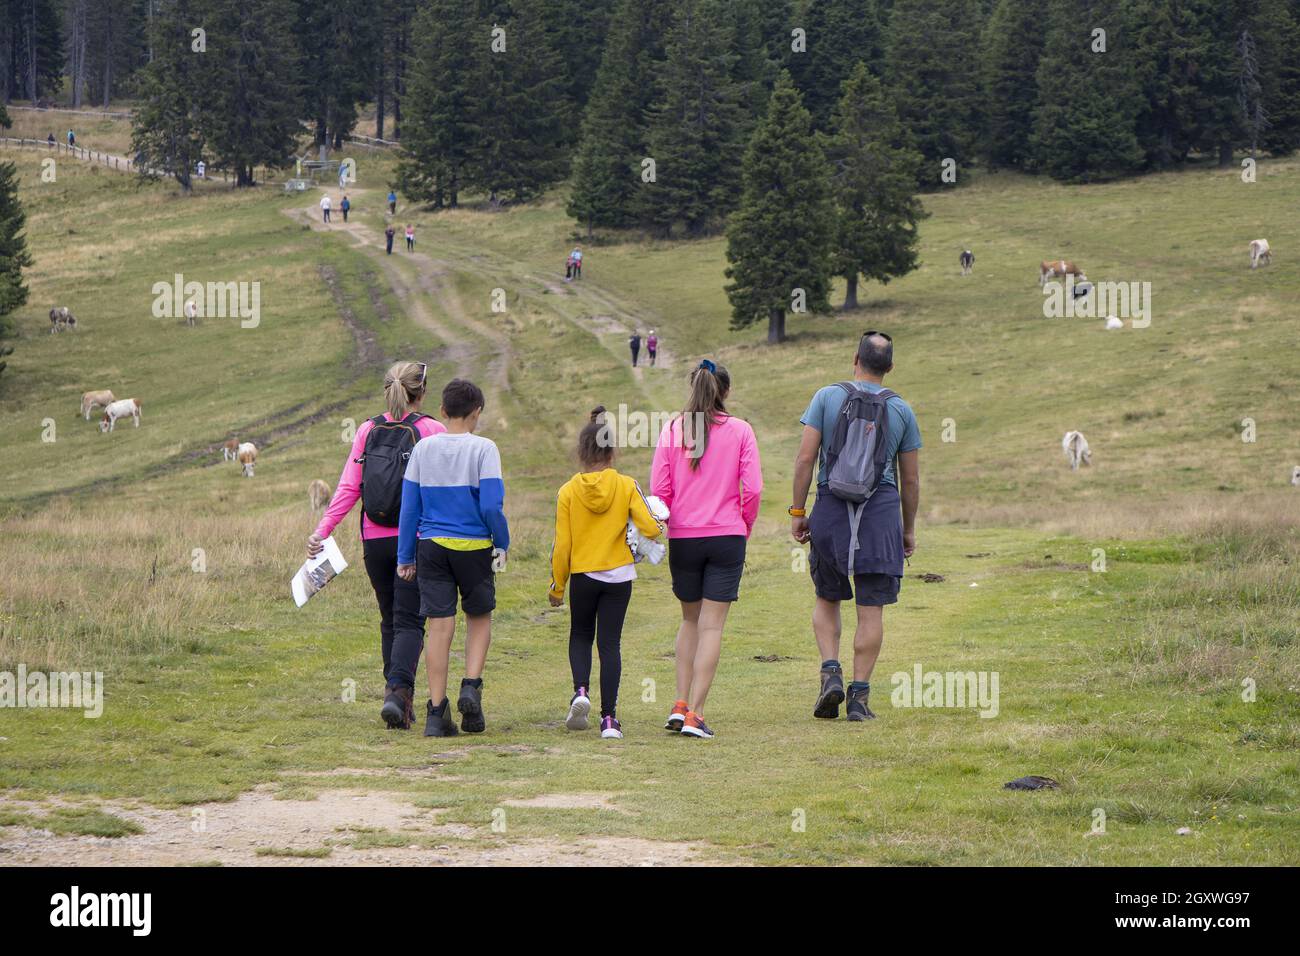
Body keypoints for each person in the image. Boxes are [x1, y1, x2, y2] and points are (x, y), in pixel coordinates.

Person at [790, 332, 921, 722]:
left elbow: (804, 459)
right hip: (880, 512)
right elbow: (910, 480)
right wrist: (907, 529)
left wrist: (798, 511)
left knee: (827, 597)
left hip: (831, 507)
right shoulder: (902, 410)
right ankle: (859, 698)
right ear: (890, 367)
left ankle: (830, 671)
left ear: (855, 359)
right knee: (871, 609)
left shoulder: (826, 397)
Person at [308, 362, 445, 729]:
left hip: (374, 539)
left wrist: (322, 531)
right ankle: (397, 693)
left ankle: (398, 703)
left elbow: (348, 488)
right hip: (413, 541)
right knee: (410, 621)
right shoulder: (433, 430)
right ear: (422, 392)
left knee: (390, 619)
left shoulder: (367, 430)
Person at [651, 361, 762, 739]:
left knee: (689, 622)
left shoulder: (672, 429)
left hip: (683, 537)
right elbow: (755, 488)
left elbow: (659, 493)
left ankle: (680, 705)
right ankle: (697, 714)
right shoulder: (741, 431)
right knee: (712, 625)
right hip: (726, 535)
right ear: (725, 392)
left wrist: (665, 528)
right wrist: (743, 525)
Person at [397, 378, 510, 737]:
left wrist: (405, 556)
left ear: (443, 411)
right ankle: (471, 687)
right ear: (477, 412)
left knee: (439, 627)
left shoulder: (423, 449)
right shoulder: (485, 449)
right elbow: (492, 505)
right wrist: (501, 541)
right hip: (475, 547)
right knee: (478, 617)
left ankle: (435, 712)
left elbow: (409, 509)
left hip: (431, 547)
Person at [549, 406, 664, 740]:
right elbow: (651, 529)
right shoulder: (626, 485)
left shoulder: (568, 491)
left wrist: (558, 587)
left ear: (581, 453)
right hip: (618, 577)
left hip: (583, 576)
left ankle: (580, 691)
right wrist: (654, 519)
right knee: (609, 644)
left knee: (581, 635)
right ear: (613, 452)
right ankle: (610, 719)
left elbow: (562, 546)